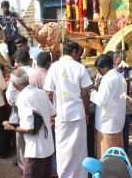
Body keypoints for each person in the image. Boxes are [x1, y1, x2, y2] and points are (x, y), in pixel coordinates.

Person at [44, 40, 92, 178]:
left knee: (62, 149)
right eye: (79, 53)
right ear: (74, 52)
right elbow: (85, 94)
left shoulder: (54, 67)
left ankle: (64, 175)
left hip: (61, 115)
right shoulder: (79, 67)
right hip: (78, 113)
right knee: (80, 149)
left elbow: (49, 93)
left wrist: (51, 114)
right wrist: (87, 113)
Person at [3, 69, 56, 178]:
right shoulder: (41, 92)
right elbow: (53, 113)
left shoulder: (23, 98)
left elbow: (28, 129)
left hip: (36, 151)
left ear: (14, 85)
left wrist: (11, 127)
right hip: (48, 146)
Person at [90, 54, 126, 158]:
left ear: (105, 67)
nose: (99, 72)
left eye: (99, 69)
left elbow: (100, 100)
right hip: (116, 121)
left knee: (107, 155)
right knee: (117, 153)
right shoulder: (119, 76)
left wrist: (92, 92)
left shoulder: (108, 79)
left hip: (107, 124)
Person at [6, 48, 35, 173]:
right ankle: (34, 166)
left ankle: (24, 169)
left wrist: (14, 104)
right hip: (36, 109)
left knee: (21, 141)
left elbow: (10, 97)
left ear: (17, 61)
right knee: (35, 140)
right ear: (29, 59)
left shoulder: (15, 75)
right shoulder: (36, 72)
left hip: (21, 110)